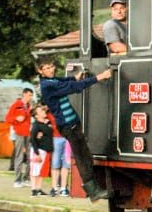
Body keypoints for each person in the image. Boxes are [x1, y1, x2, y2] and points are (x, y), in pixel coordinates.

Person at [36, 59, 113, 201]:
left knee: (86, 154)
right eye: (46, 68)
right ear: (40, 71)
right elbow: (72, 87)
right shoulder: (47, 86)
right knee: (81, 156)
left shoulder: (52, 81)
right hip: (67, 125)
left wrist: (75, 77)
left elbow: (65, 81)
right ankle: (93, 191)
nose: (51, 70)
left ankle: (95, 188)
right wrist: (100, 77)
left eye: (51, 66)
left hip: (72, 123)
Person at [5, 88, 34, 187]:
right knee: (19, 156)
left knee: (30, 156)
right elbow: (7, 118)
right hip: (19, 132)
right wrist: (16, 118)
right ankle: (17, 180)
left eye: (31, 95)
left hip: (28, 133)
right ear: (24, 94)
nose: (31, 97)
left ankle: (26, 178)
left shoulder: (29, 106)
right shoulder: (16, 105)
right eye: (29, 95)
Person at [28, 104, 54, 196]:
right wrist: (36, 153)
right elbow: (32, 139)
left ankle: (39, 188)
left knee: (41, 170)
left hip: (45, 150)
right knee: (35, 169)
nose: (43, 112)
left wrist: (47, 124)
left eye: (43, 111)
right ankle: (33, 189)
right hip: (39, 150)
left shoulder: (47, 123)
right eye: (40, 111)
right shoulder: (36, 125)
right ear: (36, 116)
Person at [48, 111, 71, 197]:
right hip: (56, 137)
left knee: (66, 164)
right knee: (55, 164)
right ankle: (54, 188)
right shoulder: (51, 112)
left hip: (67, 138)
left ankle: (63, 188)